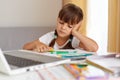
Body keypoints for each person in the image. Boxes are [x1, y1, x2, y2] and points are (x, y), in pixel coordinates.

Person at [23, 3, 98, 53]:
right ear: (57, 19)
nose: (63, 27)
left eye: (69, 26)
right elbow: (25, 47)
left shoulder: (75, 40)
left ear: (75, 27)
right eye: (61, 23)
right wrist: (36, 44)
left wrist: (75, 32)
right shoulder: (50, 36)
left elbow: (94, 48)